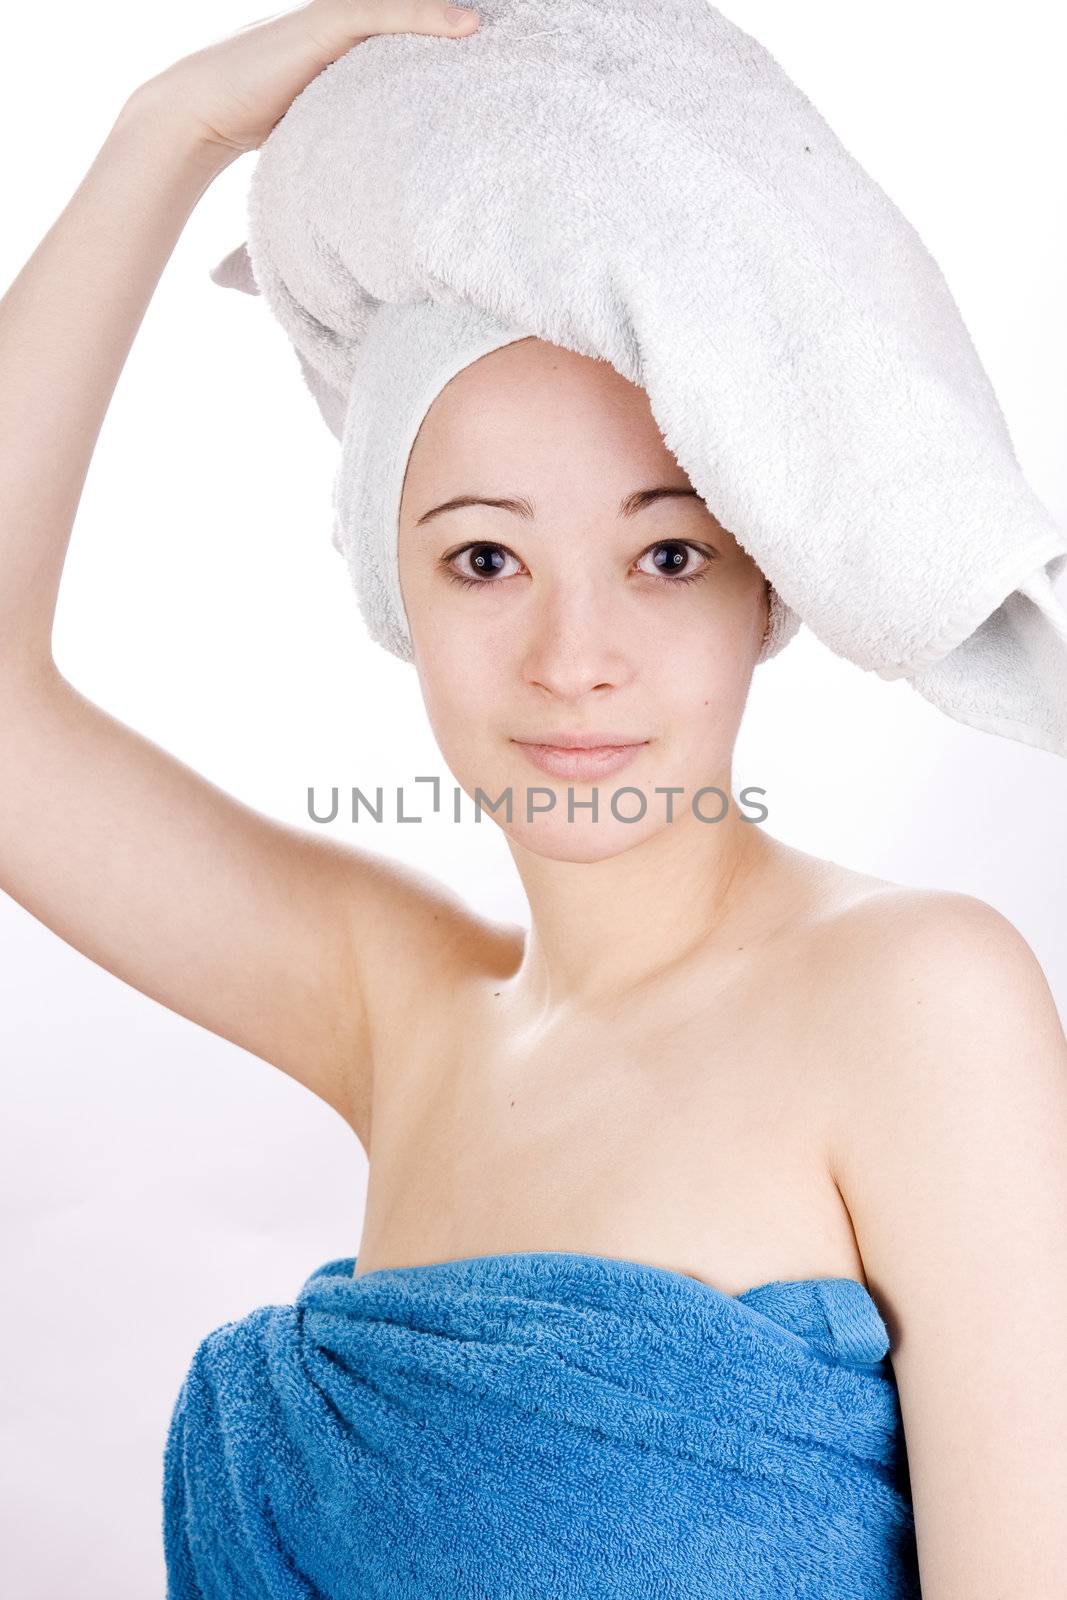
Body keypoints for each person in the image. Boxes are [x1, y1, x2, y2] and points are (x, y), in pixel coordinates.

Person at [2, 2, 1065, 1595]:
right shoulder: (403, 1011)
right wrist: (165, 134)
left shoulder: (921, 1001)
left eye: (667, 554)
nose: (580, 661)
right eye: (487, 557)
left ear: (762, 582)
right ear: (392, 585)